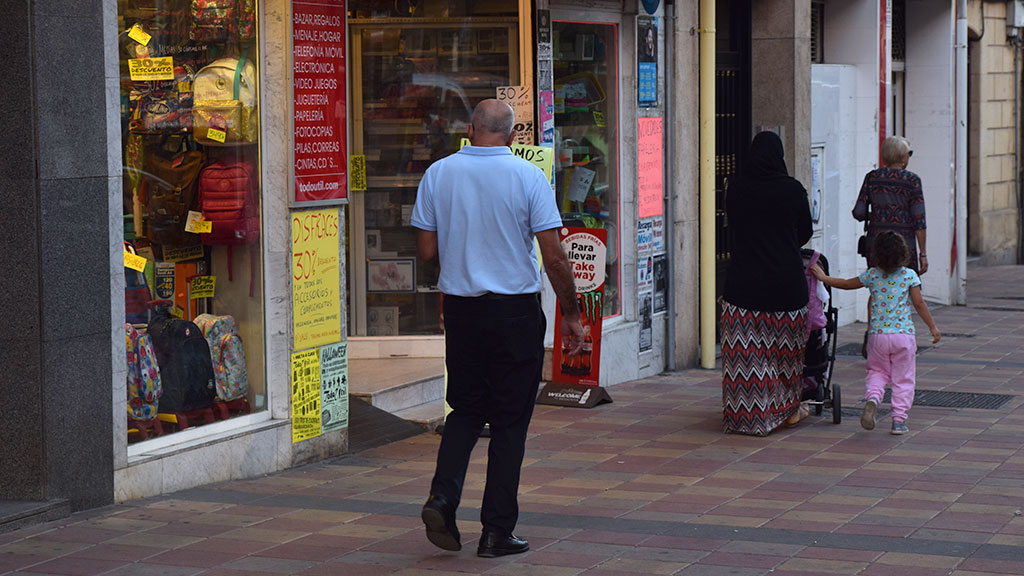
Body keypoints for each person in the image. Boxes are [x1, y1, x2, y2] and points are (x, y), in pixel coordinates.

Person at [411, 99, 584, 557]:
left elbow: (426, 251)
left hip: (463, 311)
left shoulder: (438, 173)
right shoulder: (528, 176)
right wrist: (571, 313)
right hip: (514, 313)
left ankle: (442, 498)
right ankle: (496, 531)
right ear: (513, 136)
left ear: (470, 129)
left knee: (465, 411)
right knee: (509, 421)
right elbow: (553, 256)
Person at [720, 131, 813, 436]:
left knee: (747, 357)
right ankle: (786, 409)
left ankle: (748, 416)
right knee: (784, 356)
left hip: (743, 287)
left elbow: (733, 225)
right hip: (786, 286)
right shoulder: (793, 191)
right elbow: (804, 233)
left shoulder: (736, 189)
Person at [811, 231, 941, 435]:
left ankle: (872, 398)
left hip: (878, 336)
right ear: (903, 253)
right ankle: (898, 421)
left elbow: (846, 284)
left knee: (877, 372)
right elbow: (919, 303)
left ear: (877, 254)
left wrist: (823, 277)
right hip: (903, 336)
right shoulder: (910, 276)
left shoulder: (872, 275)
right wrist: (932, 327)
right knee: (903, 378)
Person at [853, 135, 928, 355]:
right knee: (905, 288)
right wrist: (923, 253)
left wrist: (877, 214)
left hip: (877, 242)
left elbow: (858, 212)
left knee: (876, 286)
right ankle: (899, 335)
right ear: (903, 157)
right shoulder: (912, 181)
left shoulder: (872, 178)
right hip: (904, 243)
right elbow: (919, 219)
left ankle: (873, 334)